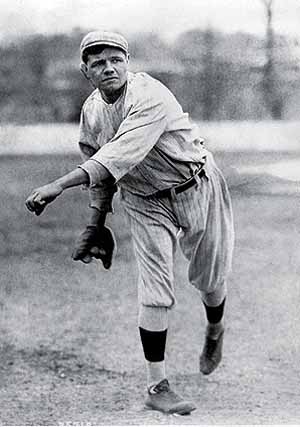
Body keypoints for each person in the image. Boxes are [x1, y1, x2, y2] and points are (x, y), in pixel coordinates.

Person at [25, 30, 234, 415]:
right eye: (98, 62)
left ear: (127, 62)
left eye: (115, 59)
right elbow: (98, 162)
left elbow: (116, 155)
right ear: (85, 70)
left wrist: (57, 185)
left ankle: (216, 327)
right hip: (142, 199)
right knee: (155, 290)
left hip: (195, 185)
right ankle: (157, 386)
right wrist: (95, 221)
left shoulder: (148, 95)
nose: (109, 68)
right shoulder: (91, 111)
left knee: (209, 279)